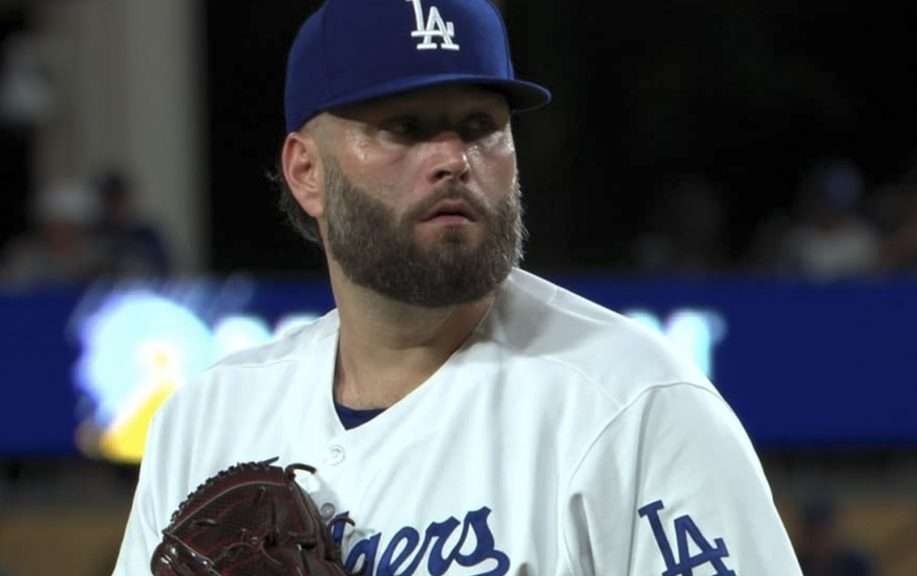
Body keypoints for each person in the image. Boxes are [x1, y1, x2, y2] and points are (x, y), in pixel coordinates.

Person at [114, 1, 802, 574]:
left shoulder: (634, 408)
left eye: (480, 127)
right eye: (404, 129)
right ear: (306, 172)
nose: (453, 158)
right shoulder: (208, 420)